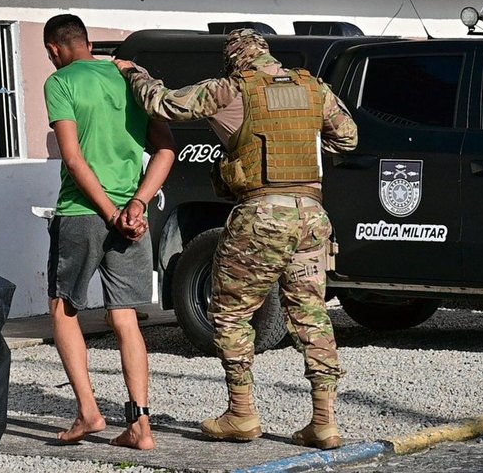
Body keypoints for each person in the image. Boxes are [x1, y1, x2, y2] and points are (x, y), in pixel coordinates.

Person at [114, 28, 357, 449]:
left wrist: (135, 73)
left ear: (234, 60)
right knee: (312, 315)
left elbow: (163, 103)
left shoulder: (229, 89)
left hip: (261, 214)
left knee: (229, 312)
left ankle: (242, 414)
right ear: (266, 54)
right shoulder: (312, 88)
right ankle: (324, 422)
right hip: (312, 216)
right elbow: (348, 138)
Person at [42, 14, 176, 450]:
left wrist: (109, 211)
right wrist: (135, 205)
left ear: (55, 49)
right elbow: (166, 148)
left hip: (82, 212)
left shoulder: (59, 83)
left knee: (64, 308)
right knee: (126, 318)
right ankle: (141, 425)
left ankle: (89, 412)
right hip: (132, 217)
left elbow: (74, 159)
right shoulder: (130, 77)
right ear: (87, 42)